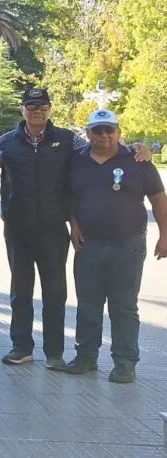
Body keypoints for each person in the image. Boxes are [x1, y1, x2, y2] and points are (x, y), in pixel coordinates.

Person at [65, 109, 167, 384]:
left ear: (118, 132)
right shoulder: (77, 160)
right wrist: (74, 225)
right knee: (88, 305)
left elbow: (159, 198)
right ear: (88, 133)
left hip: (128, 244)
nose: (104, 135)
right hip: (89, 245)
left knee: (123, 306)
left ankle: (125, 362)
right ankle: (86, 356)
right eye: (97, 130)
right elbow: (71, 197)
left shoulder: (137, 160)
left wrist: (165, 234)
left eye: (109, 130)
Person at [0, 87, 80, 371]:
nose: (37, 111)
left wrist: (135, 150)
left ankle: (54, 353)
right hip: (18, 229)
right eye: (31, 106)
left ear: (50, 109)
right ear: (22, 110)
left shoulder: (68, 140)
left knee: (55, 292)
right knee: (20, 290)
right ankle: (21, 348)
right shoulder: (4, 143)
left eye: (42, 106)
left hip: (53, 228)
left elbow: (101, 150)